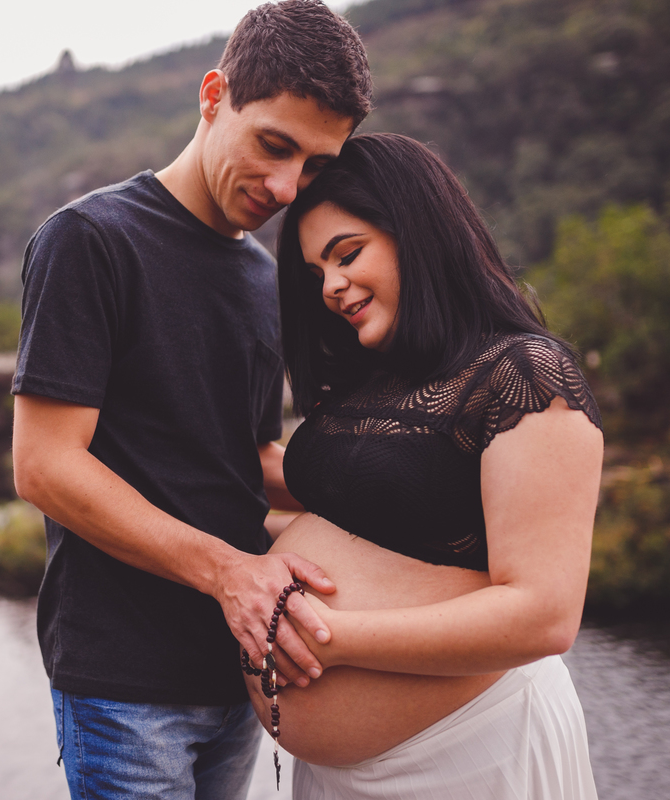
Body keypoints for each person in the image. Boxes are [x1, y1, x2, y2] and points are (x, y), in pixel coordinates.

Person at [10, 2, 373, 797]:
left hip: (238, 669)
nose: (286, 187)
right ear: (214, 96)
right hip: (121, 680)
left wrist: (391, 487)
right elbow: (42, 467)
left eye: (314, 166)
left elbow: (245, 456)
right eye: (274, 145)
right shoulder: (89, 240)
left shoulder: (261, 276)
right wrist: (229, 574)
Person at [250, 132, 603, 799]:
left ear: (416, 232)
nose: (331, 286)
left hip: (472, 754)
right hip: (338, 775)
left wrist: (336, 640)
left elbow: (544, 615)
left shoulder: (523, 374)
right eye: (314, 272)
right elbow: (372, 520)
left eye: (347, 254)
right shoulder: (367, 381)